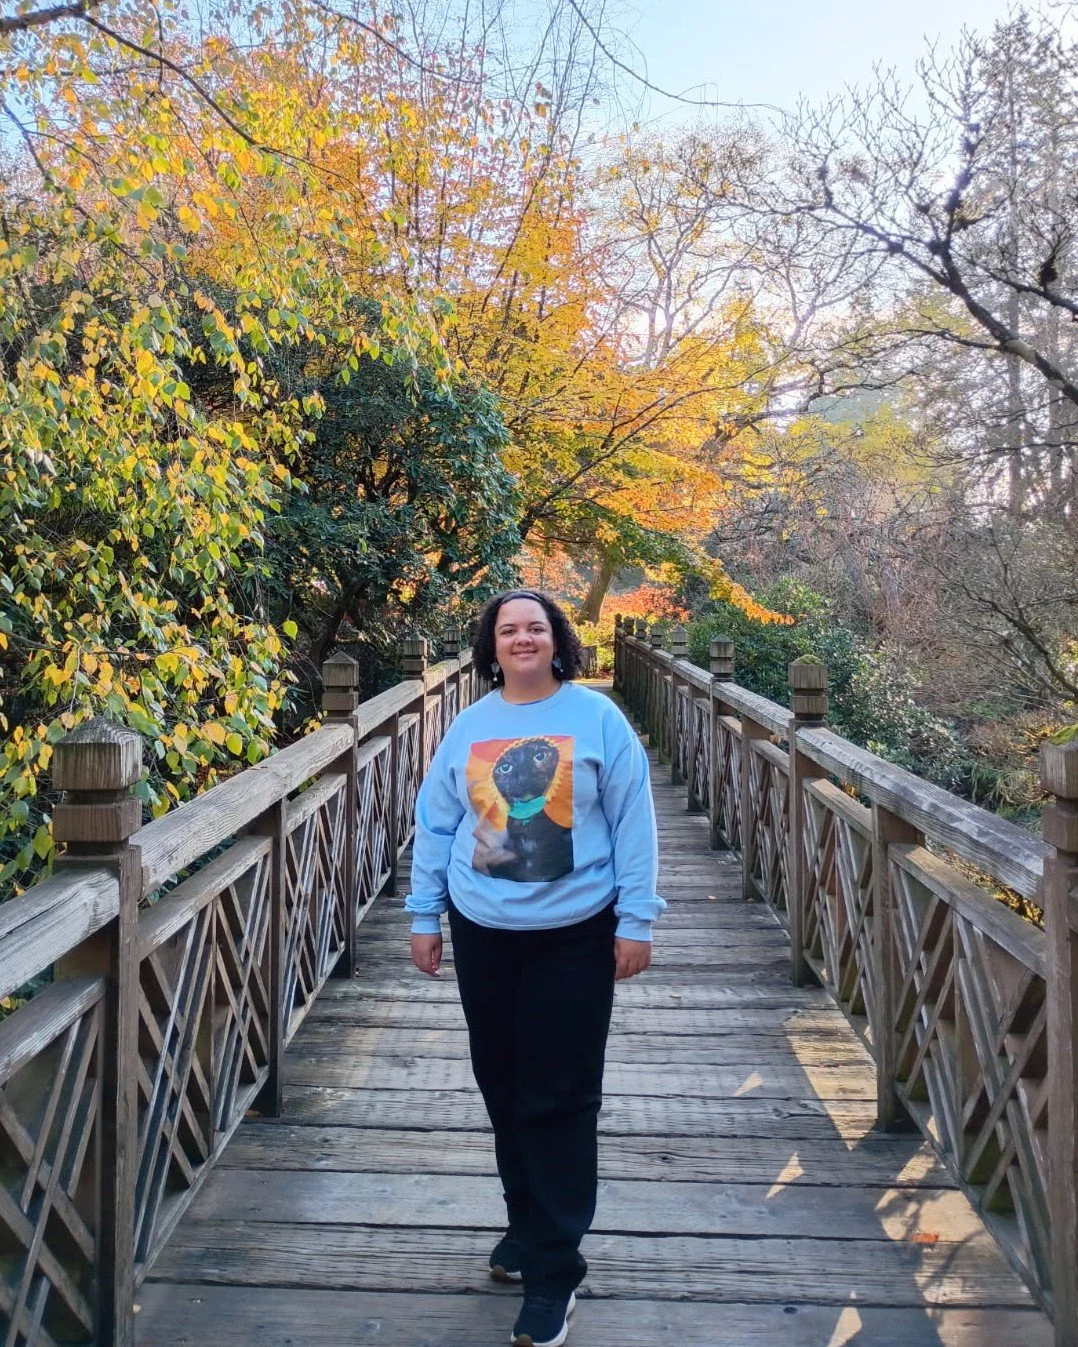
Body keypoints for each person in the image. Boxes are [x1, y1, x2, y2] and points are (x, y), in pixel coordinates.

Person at [405, 589, 664, 1347]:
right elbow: (436, 821)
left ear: (558, 640)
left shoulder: (597, 719)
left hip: (575, 931)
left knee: (560, 1095)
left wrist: (637, 918)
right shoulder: (470, 725)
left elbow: (635, 820)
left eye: (536, 627)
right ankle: (525, 1222)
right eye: (508, 629)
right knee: (502, 1082)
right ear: (492, 645)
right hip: (483, 927)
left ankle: (555, 1270)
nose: (523, 638)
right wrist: (424, 914)